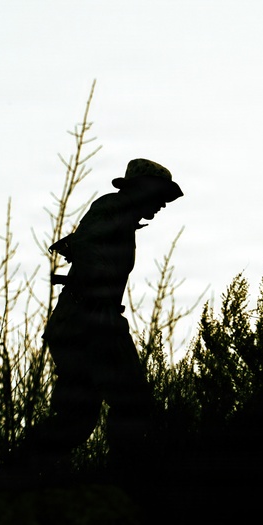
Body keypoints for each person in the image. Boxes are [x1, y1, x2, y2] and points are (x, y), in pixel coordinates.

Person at [16, 158, 184, 473]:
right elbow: (86, 243)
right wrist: (92, 277)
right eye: (160, 194)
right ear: (142, 190)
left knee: (77, 416)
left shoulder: (118, 214)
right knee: (131, 405)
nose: (163, 203)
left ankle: (27, 470)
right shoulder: (114, 208)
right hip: (92, 322)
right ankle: (128, 477)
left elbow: (86, 244)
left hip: (78, 321)